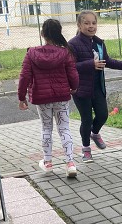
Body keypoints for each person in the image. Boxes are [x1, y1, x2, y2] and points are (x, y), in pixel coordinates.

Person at [68, 10, 122, 163]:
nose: (91, 26)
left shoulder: (99, 43)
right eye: (87, 23)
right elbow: (70, 66)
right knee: (86, 120)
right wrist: (91, 64)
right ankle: (86, 150)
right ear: (79, 25)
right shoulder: (72, 44)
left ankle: (94, 133)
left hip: (97, 87)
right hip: (80, 89)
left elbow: (107, 61)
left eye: (94, 23)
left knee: (103, 115)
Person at [18, 19, 80, 177]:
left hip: (42, 97)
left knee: (46, 128)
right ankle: (70, 163)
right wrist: (74, 87)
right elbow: (73, 74)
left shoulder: (31, 53)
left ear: (42, 34)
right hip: (61, 97)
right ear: (59, 33)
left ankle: (47, 162)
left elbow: (24, 76)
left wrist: (21, 97)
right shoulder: (66, 53)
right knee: (64, 128)